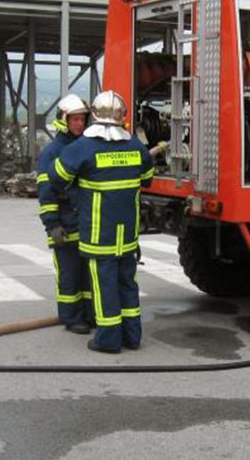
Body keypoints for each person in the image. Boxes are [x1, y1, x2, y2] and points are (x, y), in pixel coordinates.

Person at [48, 90, 154, 354]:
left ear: (94, 115)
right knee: (128, 282)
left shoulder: (83, 147)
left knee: (104, 284)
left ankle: (107, 339)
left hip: (99, 233)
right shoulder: (134, 145)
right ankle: (132, 336)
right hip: (127, 234)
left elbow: (57, 176)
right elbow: (148, 177)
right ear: (122, 116)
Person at [37, 94, 94, 334]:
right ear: (64, 121)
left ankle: (90, 315)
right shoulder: (51, 153)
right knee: (69, 275)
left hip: (86, 223)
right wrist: (52, 225)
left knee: (88, 275)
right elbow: (46, 193)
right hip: (64, 224)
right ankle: (71, 318)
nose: (79, 124)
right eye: (75, 120)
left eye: (82, 119)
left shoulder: (87, 147)